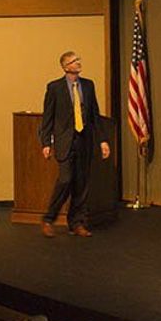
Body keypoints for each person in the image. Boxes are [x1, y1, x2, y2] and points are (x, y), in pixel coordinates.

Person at [39, 50, 111, 238]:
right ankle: (48, 218)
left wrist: (103, 140)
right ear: (65, 67)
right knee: (65, 179)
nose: (79, 62)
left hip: (84, 140)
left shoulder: (88, 85)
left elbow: (95, 115)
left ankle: (76, 223)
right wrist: (46, 142)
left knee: (82, 184)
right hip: (65, 141)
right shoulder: (54, 88)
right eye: (74, 61)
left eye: (79, 59)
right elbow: (48, 118)